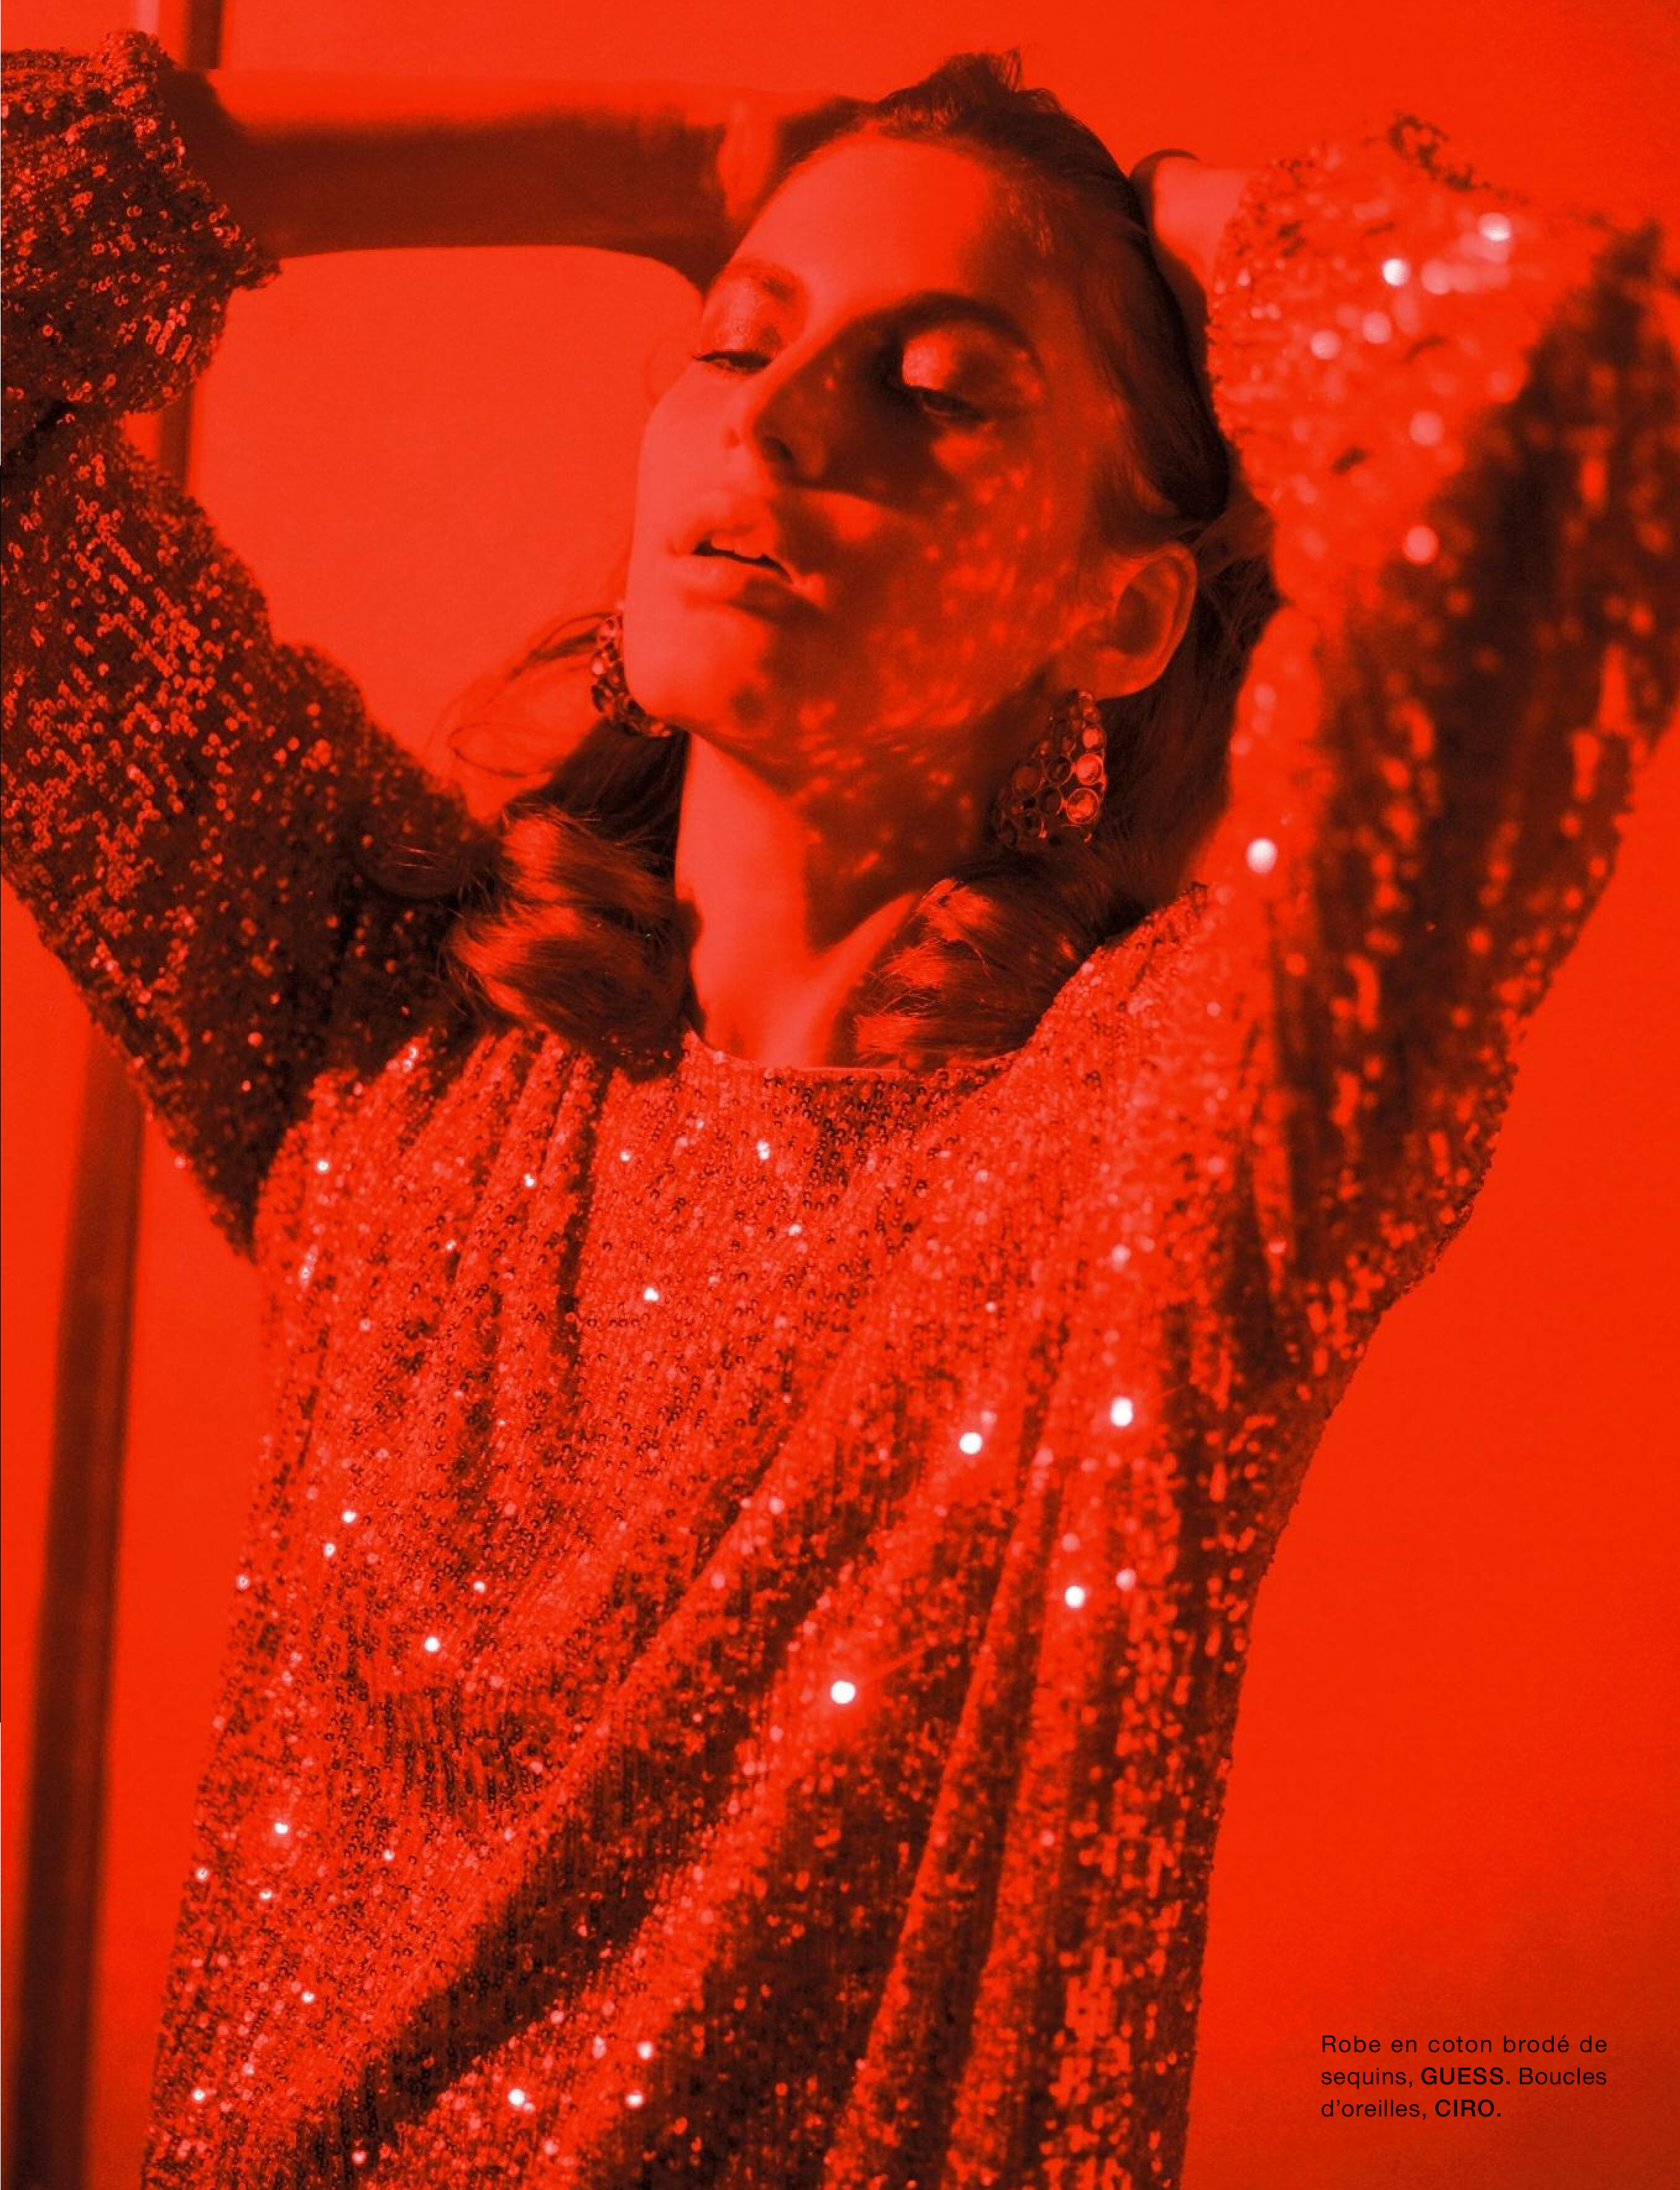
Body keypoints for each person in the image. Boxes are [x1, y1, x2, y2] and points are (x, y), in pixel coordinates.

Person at [2, 27, 1674, 2188]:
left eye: (942, 386)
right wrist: (645, 149)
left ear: (1121, 613)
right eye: (735, 342)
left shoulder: (1153, 1162)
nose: (779, 417)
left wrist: (1172, 215)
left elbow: (1553, 415)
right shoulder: (385, 1050)